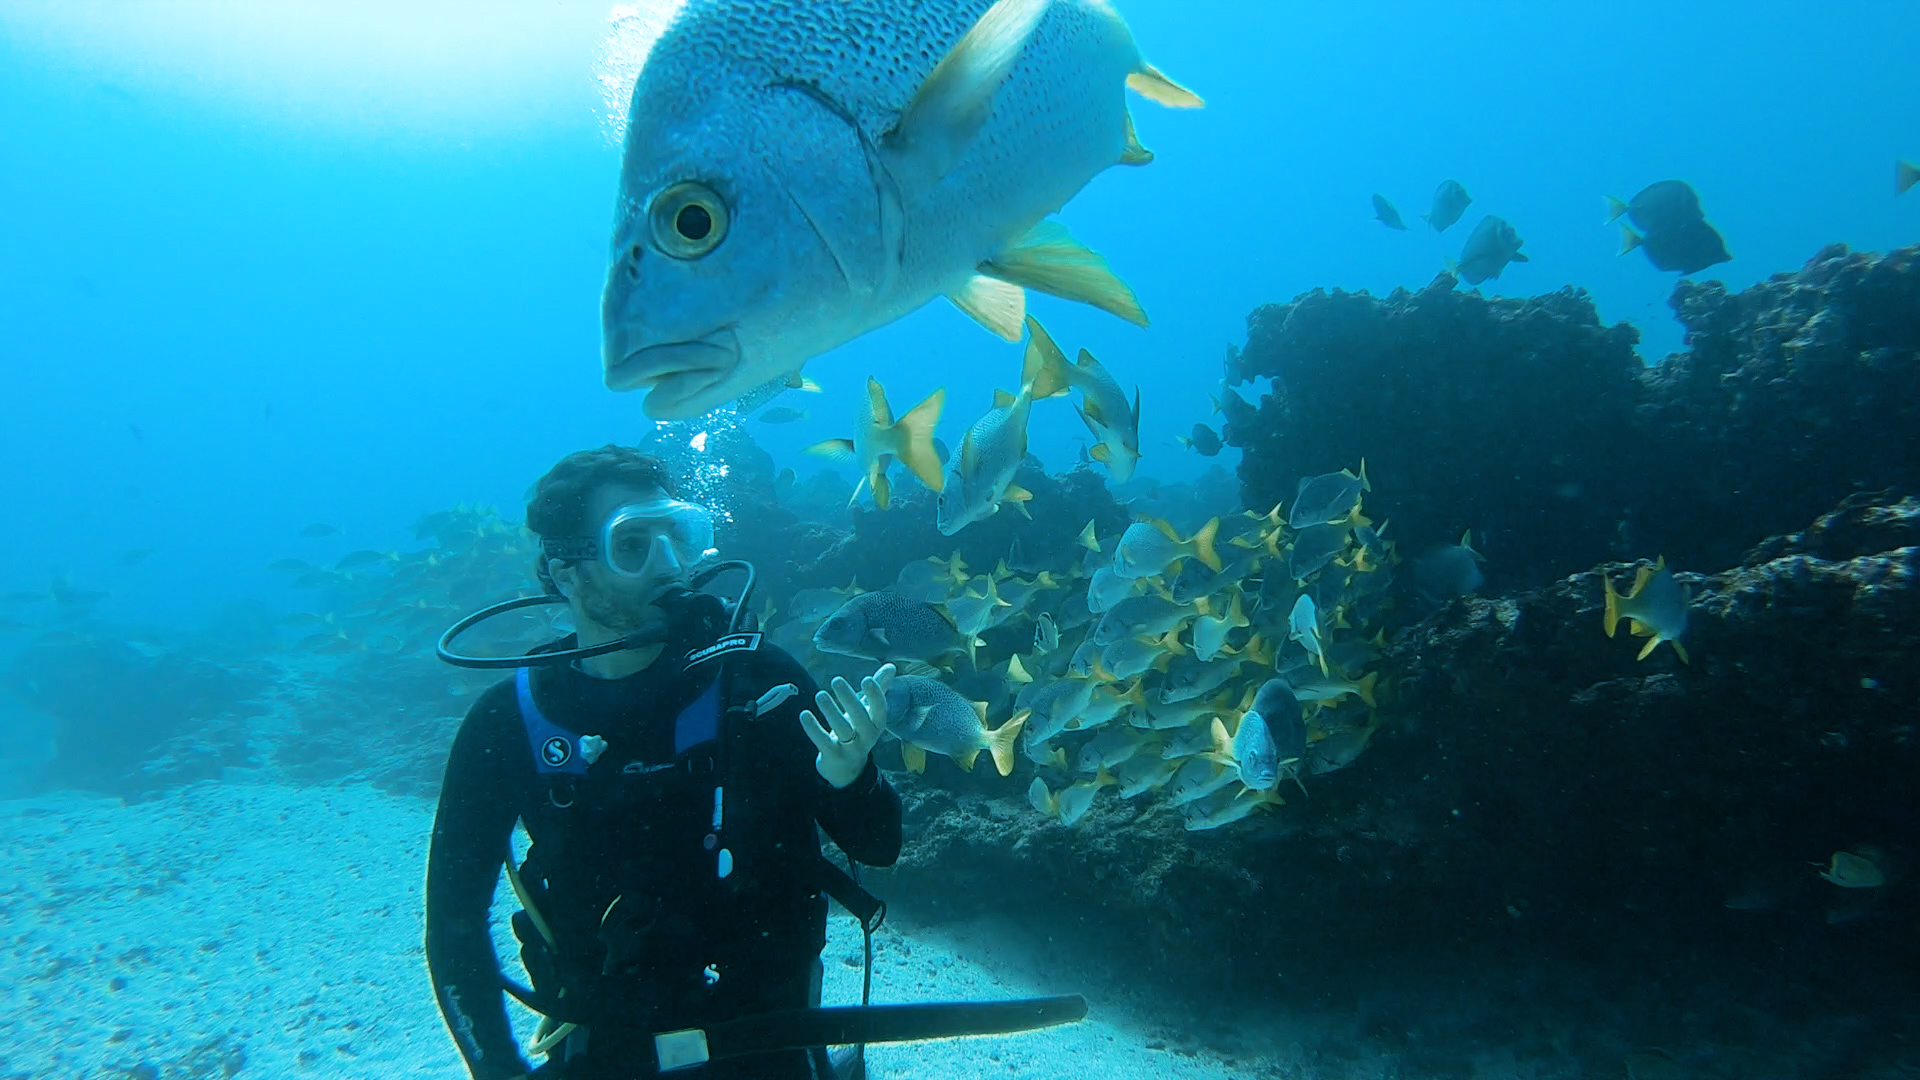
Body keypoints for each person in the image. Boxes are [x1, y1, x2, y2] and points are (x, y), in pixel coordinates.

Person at [426, 446, 902, 1080]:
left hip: (767, 1041)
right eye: (632, 546)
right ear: (567, 572)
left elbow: (879, 846)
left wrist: (853, 778)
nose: (670, 566)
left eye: (677, 537)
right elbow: (454, 927)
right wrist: (498, 1071)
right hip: (602, 1044)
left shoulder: (757, 683)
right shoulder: (508, 721)